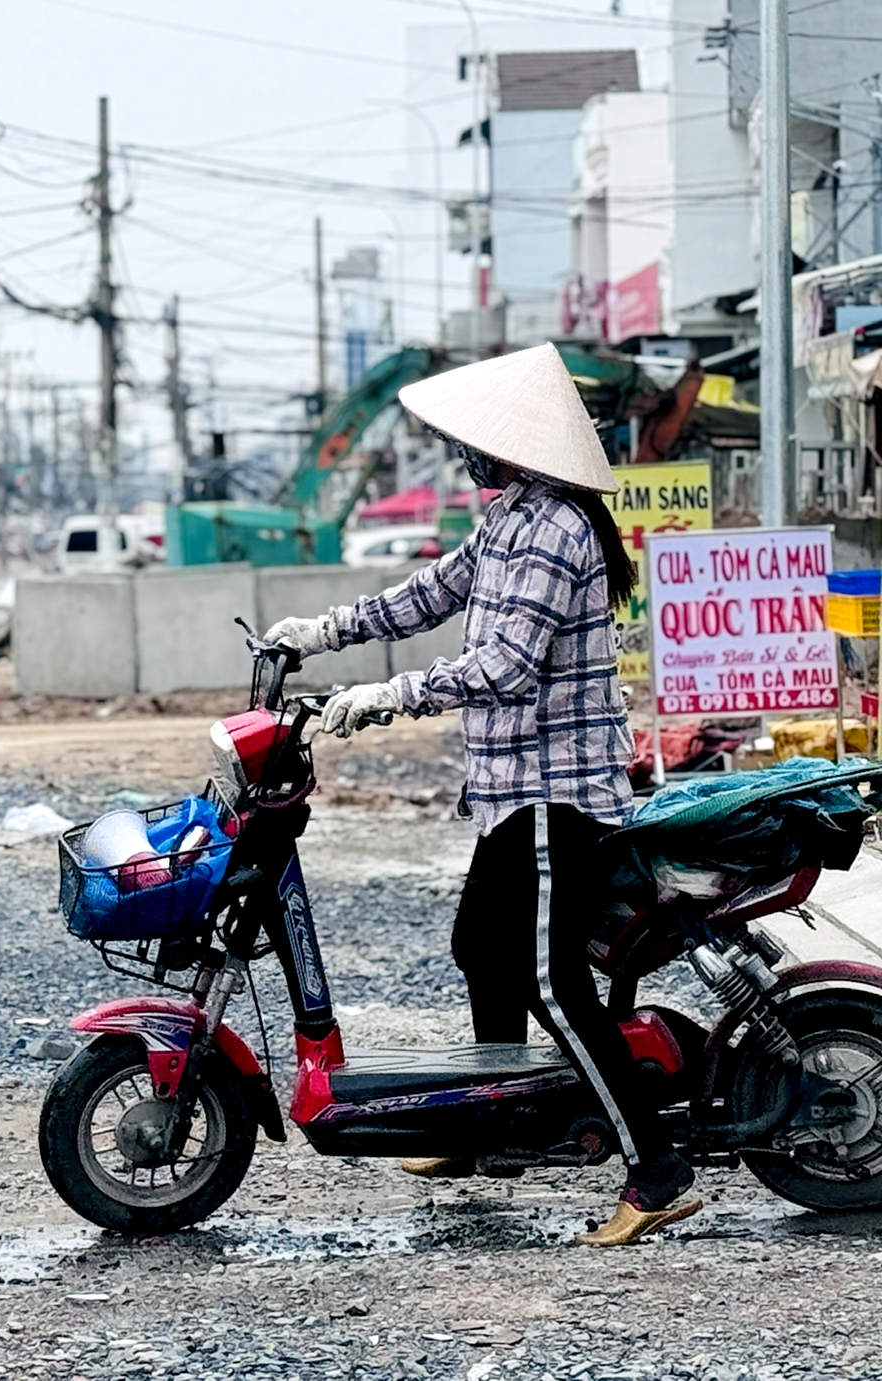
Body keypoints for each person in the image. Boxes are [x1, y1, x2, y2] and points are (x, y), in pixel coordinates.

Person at [262, 343, 695, 1248]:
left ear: (520, 448)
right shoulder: (509, 522)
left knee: (548, 977)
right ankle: (487, 1129)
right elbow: (427, 595)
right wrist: (323, 633)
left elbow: (505, 667)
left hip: (554, 795)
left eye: (481, 444)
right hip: (509, 793)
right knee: (477, 947)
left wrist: (389, 697)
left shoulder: (559, 530)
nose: (471, 457)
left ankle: (655, 1169)